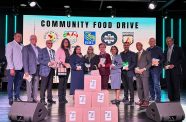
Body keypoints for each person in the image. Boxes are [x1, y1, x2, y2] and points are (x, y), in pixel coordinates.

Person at [5, 33, 24, 105]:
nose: (19, 38)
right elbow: (8, 57)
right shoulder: (10, 44)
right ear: (14, 37)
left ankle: (17, 96)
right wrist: (11, 68)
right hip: (12, 68)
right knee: (10, 84)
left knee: (18, 84)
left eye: (20, 37)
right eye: (18, 36)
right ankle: (10, 98)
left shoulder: (22, 46)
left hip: (21, 68)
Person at [164, 37, 184, 102]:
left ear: (172, 41)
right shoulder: (166, 49)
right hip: (168, 70)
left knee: (176, 86)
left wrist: (174, 65)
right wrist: (164, 65)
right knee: (169, 86)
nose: (168, 42)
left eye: (169, 41)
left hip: (175, 70)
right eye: (167, 41)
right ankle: (171, 100)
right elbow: (165, 59)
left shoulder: (178, 48)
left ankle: (177, 101)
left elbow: (182, 59)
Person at [22, 35, 41, 102]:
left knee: (36, 85)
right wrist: (26, 71)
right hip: (29, 70)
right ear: (30, 40)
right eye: (32, 39)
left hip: (38, 68)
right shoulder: (26, 48)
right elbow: (24, 60)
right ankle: (29, 99)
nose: (34, 40)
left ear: (36, 40)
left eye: (35, 39)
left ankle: (35, 98)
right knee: (29, 85)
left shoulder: (39, 48)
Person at [38, 40, 56, 105]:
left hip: (52, 70)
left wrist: (56, 64)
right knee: (43, 86)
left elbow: (54, 59)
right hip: (45, 70)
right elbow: (39, 60)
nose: (50, 44)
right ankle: (42, 99)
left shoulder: (53, 51)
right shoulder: (42, 50)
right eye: (49, 43)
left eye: (51, 43)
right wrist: (48, 63)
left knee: (50, 86)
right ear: (46, 43)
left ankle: (49, 99)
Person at [147, 38, 164, 102]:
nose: (151, 42)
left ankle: (158, 98)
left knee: (156, 83)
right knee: (150, 84)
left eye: (153, 41)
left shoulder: (159, 49)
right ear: (148, 42)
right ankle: (152, 97)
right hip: (149, 68)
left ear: (155, 42)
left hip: (156, 69)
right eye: (150, 41)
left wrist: (157, 62)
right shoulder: (147, 49)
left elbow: (162, 58)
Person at [135, 42, 152, 107]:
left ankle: (146, 101)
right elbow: (136, 63)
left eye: (139, 45)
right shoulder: (136, 54)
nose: (137, 46)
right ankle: (141, 100)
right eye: (136, 45)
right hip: (137, 73)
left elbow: (150, 63)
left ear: (142, 46)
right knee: (139, 87)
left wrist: (144, 69)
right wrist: (135, 69)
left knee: (145, 87)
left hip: (144, 73)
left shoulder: (147, 53)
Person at [55, 38, 71, 104]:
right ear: (62, 43)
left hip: (67, 68)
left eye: (67, 42)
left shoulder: (69, 50)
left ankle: (64, 97)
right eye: (65, 42)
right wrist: (63, 63)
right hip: (62, 68)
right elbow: (56, 59)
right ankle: (60, 98)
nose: (66, 43)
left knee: (65, 83)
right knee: (61, 83)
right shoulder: (59, 50)